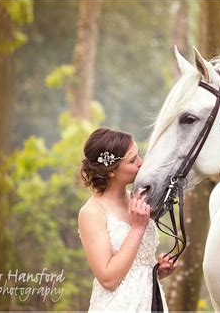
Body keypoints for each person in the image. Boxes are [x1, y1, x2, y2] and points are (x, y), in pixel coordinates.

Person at [77, 128, 177, 311]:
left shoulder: (138, 201)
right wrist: (137, 228)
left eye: (138, 155)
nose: (141, 163)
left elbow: (136, 265)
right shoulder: (92, 212)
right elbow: (108, 279)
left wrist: (157, 269)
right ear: (111, 170)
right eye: (132, 160)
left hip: (151, 303)